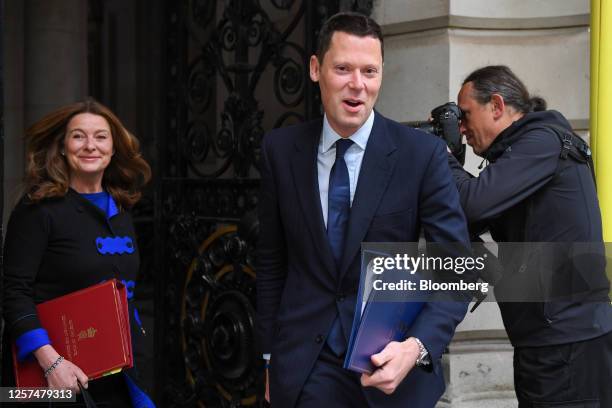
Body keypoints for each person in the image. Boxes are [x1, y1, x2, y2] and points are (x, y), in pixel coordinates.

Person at [256, 12, 472, 408]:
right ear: (315, 69)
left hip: (391, 370)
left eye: (369, 71)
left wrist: (416, 348)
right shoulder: (280, 151)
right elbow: (272, 261)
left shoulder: (420, 155)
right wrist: (270, 359)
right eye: (343, 68)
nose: (357, 84)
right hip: (306, 370)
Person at [448, 65, 612, 407]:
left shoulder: (541, 141)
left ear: (496, 105)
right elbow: (466, 219)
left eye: (465, 115)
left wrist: (441, 160)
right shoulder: (523, 154)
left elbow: (473, 205)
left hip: (566, 346)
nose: (461, 129)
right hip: (551, 342)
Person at [1, 98, 154, 407]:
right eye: (78, 136)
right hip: (49, 377)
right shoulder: (37, 209)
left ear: (113, 149)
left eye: (100, 136)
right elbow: (14, 291)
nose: (90, 145)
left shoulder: (122, 209)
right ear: (62, 147)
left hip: (115, 374)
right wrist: (51, 363)